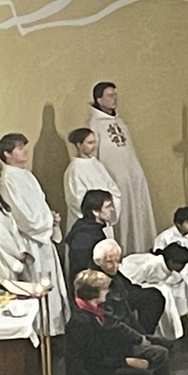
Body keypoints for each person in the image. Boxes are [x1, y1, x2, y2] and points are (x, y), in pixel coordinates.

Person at [0, 133, 68, 335]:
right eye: (19, 148)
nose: (25, 151)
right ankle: (41, 333)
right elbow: (22, 217)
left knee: (51, 288)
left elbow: (40, 204)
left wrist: (50, 216)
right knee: (35, 286)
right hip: (30, 241)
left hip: (43, 237)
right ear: (7, 154)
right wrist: (47, 221)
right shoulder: (8, 180)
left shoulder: (26, 175)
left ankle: (53, 331)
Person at [88, 82, 156, 255]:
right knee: (121, 214)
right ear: (99, 100)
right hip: (114, 180)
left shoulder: (119, 122)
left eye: (115, 95)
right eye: (110, 96)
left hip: (132, 176)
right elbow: (93, 155)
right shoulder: (95, 124)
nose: (115, 99)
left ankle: (140, 248)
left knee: (137, 213)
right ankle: (124, 251)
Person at [92, 238, 166, 337]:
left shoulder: (111, 271)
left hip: (123, 299)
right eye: (109, 262)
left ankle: (145, 334)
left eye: (117, 261)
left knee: (154, 295)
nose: (115, 266)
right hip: (113, 305)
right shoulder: (96, 277)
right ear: (99, 262)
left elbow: (127, 285)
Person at [120, 244, 188, 341]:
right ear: (171, 261)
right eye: (181, 264)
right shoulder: (153, 264)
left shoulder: (163, 265)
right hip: (126, 283)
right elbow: (134, 278)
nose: (182, 267)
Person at [63, 127, 121, 237]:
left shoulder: (97, 164)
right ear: (79, 145)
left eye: (94, 142)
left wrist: (107, 205)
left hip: (103, 218)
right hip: (88, 226)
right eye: (90, 143)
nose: (94, 146)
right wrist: (96, 210)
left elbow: (113, 188)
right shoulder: (75, 169)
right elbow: (76, 200)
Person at [64, 189, 114, 292]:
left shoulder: (96, 228)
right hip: (91, 290)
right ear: (95, 211)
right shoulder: (83, 236)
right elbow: (85, 269)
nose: (112, 209)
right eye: (108, 207)